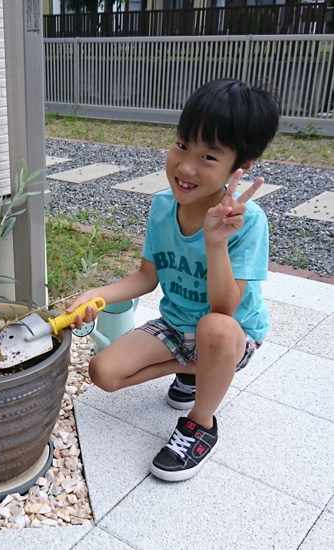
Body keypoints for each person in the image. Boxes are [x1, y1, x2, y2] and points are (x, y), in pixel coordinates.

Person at [66, 78, 280, 482]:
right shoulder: (164, 206)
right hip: (176, 325)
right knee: (104, 372)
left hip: (232, 336)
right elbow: (147, 276)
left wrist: (216, 242)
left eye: (208, 157)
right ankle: (194, 371)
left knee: (213, 328)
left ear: (241, 166)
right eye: (182, 145)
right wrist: (96, 293)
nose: (185, 167)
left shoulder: (247, 222)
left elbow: (225, 309)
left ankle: (201, 423)